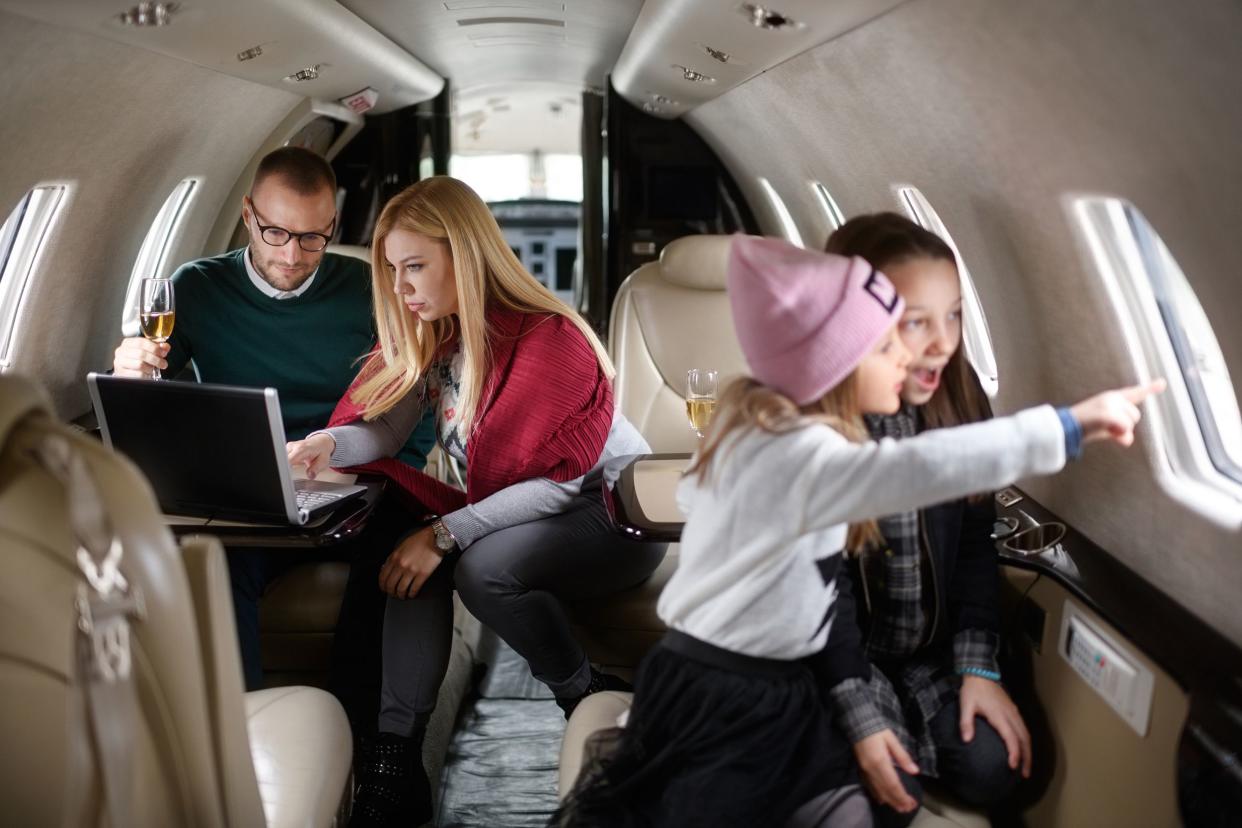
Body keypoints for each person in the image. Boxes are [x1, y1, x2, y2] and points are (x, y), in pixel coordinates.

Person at [554, 235, 1163, 828]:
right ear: (832, 366)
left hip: (773, 682)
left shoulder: (758, 425)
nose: (908, 354)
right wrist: (1069, 427)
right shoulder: (805, 455)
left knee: (846, 809)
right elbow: (922, 469)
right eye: (884, 346)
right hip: (725, 688)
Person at [285, 176, 667, 828]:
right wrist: (327, 443)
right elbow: (384, 428)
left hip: (613, 514)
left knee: (475, 567)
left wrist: (445, 533)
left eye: (414, 267)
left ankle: (581, 693)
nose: (400, 287)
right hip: (540, 507)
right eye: (392, 269)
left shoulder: (550, 338)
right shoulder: (439, 330)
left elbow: (561, 481)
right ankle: (394, 757)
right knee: (414, 536)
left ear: (462, 254)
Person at [109, 146, 437, 732]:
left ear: (333, 226)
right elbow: (153, 398)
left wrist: (378, 477)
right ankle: (244, 740)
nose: (292, 255)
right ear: (247, 215)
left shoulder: (370, 291)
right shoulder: (198, 287)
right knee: (214, 565)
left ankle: (357, 743)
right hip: (249, 495)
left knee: (389, 567)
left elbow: (414, 409)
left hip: (357, 483)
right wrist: (132, 372)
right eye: (276, 233)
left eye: (313, 238)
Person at [816, 213, 1030, 825]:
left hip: (928, 651)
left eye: (954, 315)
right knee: (883, 794)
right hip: (837, 656)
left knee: (994, 768)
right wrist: (858, 711)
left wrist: (978, 668)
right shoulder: (819, 430)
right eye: (916, 321)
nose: (942, 341)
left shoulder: (963, 408)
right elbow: (820, 592)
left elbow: (972, 552)